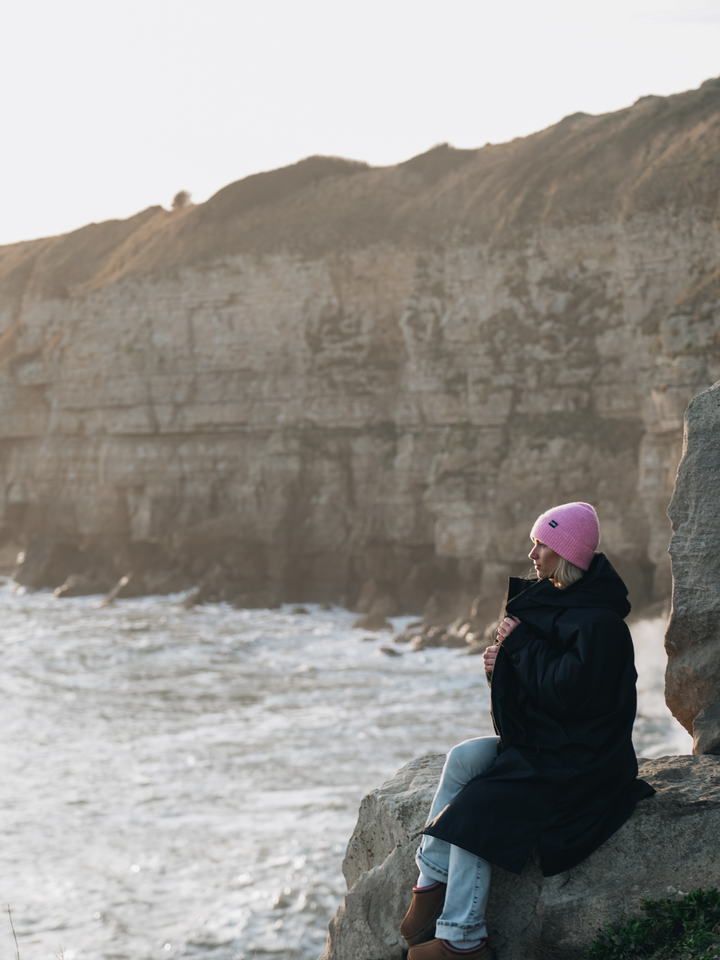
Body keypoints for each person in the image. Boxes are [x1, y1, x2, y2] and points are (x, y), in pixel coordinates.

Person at [399, 502, 655, 960]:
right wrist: (501, 668)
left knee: (480, 806)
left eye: (542, 545)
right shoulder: (555, 603)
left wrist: (518, 647)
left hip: (583, 762)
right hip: (549, 744)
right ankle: (432, 879)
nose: (532, 554)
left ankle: (463, 940)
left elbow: (569, 696)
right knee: (463, 759)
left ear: (566, 553)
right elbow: (539, 691)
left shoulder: (601, 625)